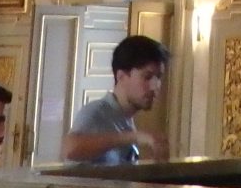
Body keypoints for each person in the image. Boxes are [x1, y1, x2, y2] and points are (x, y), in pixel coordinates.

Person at [63, 35, 168, 165]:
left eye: (158, 77)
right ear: (121, 76)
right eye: (147, 77)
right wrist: (133, 137)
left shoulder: (126, 120)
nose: (155, 86)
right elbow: (70, 149)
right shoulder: (97, 112)